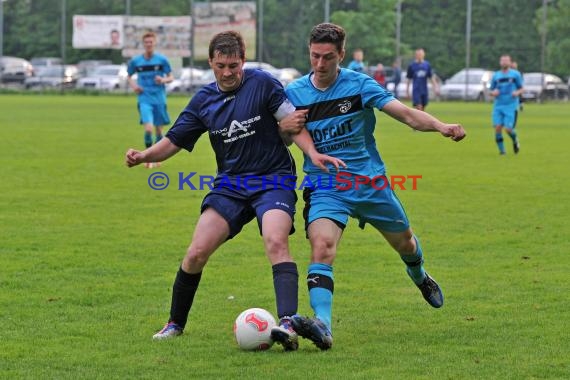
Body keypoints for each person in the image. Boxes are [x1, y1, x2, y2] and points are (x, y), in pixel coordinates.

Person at [124, 30, 344, 350]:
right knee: (197, 251)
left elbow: (292, 123)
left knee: (275, 239)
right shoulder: (203, 100)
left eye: (234, 65)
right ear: (211, 63)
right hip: (230, 185)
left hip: (273, 180)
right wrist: (145, 156)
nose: (227, 73)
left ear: (243, 61)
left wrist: (311, 153)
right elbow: (173, 141)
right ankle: (175, 323)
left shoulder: (263, 83)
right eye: (220, 66)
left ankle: (287, 324)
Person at [281, 23, 466, 350]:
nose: (320, 64)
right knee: (322, 246)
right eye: (314, 56)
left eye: (327, 58)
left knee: (406, 244)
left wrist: (440, 125)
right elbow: (282, 137)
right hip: (326, 186)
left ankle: (420, 275)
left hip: (370, 184)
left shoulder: (359, 85)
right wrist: (285, 128)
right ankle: (322, 324)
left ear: (341, 55)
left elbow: (407, 115)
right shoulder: (294, 93)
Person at [127, 31, 174, 169]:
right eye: (146, 42)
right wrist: (134, 86)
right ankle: (147, 159)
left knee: (159, 131)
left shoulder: (162, 60)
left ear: (155, 43)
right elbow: (128, 76)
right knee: (148, 129)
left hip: (159, 99)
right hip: (144, 98)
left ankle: (157, 157)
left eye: (151, 42)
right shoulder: (136, 61)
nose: (149, 44)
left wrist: (163, 79)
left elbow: (171, 77)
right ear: (143, 44)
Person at [490, 54, 523, 155]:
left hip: (511, 105)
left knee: (508, 129)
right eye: (502, 60)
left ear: (510, 62)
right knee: (498, 128)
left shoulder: (515, 74)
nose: (504, 62)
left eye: (506, 60)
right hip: (498, 105)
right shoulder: (496, 75)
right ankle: (502, 151)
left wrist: (516, 93)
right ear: (500, 62)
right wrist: (493, 93)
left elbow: (521, 88)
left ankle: (515, 140)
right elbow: (491, 90)